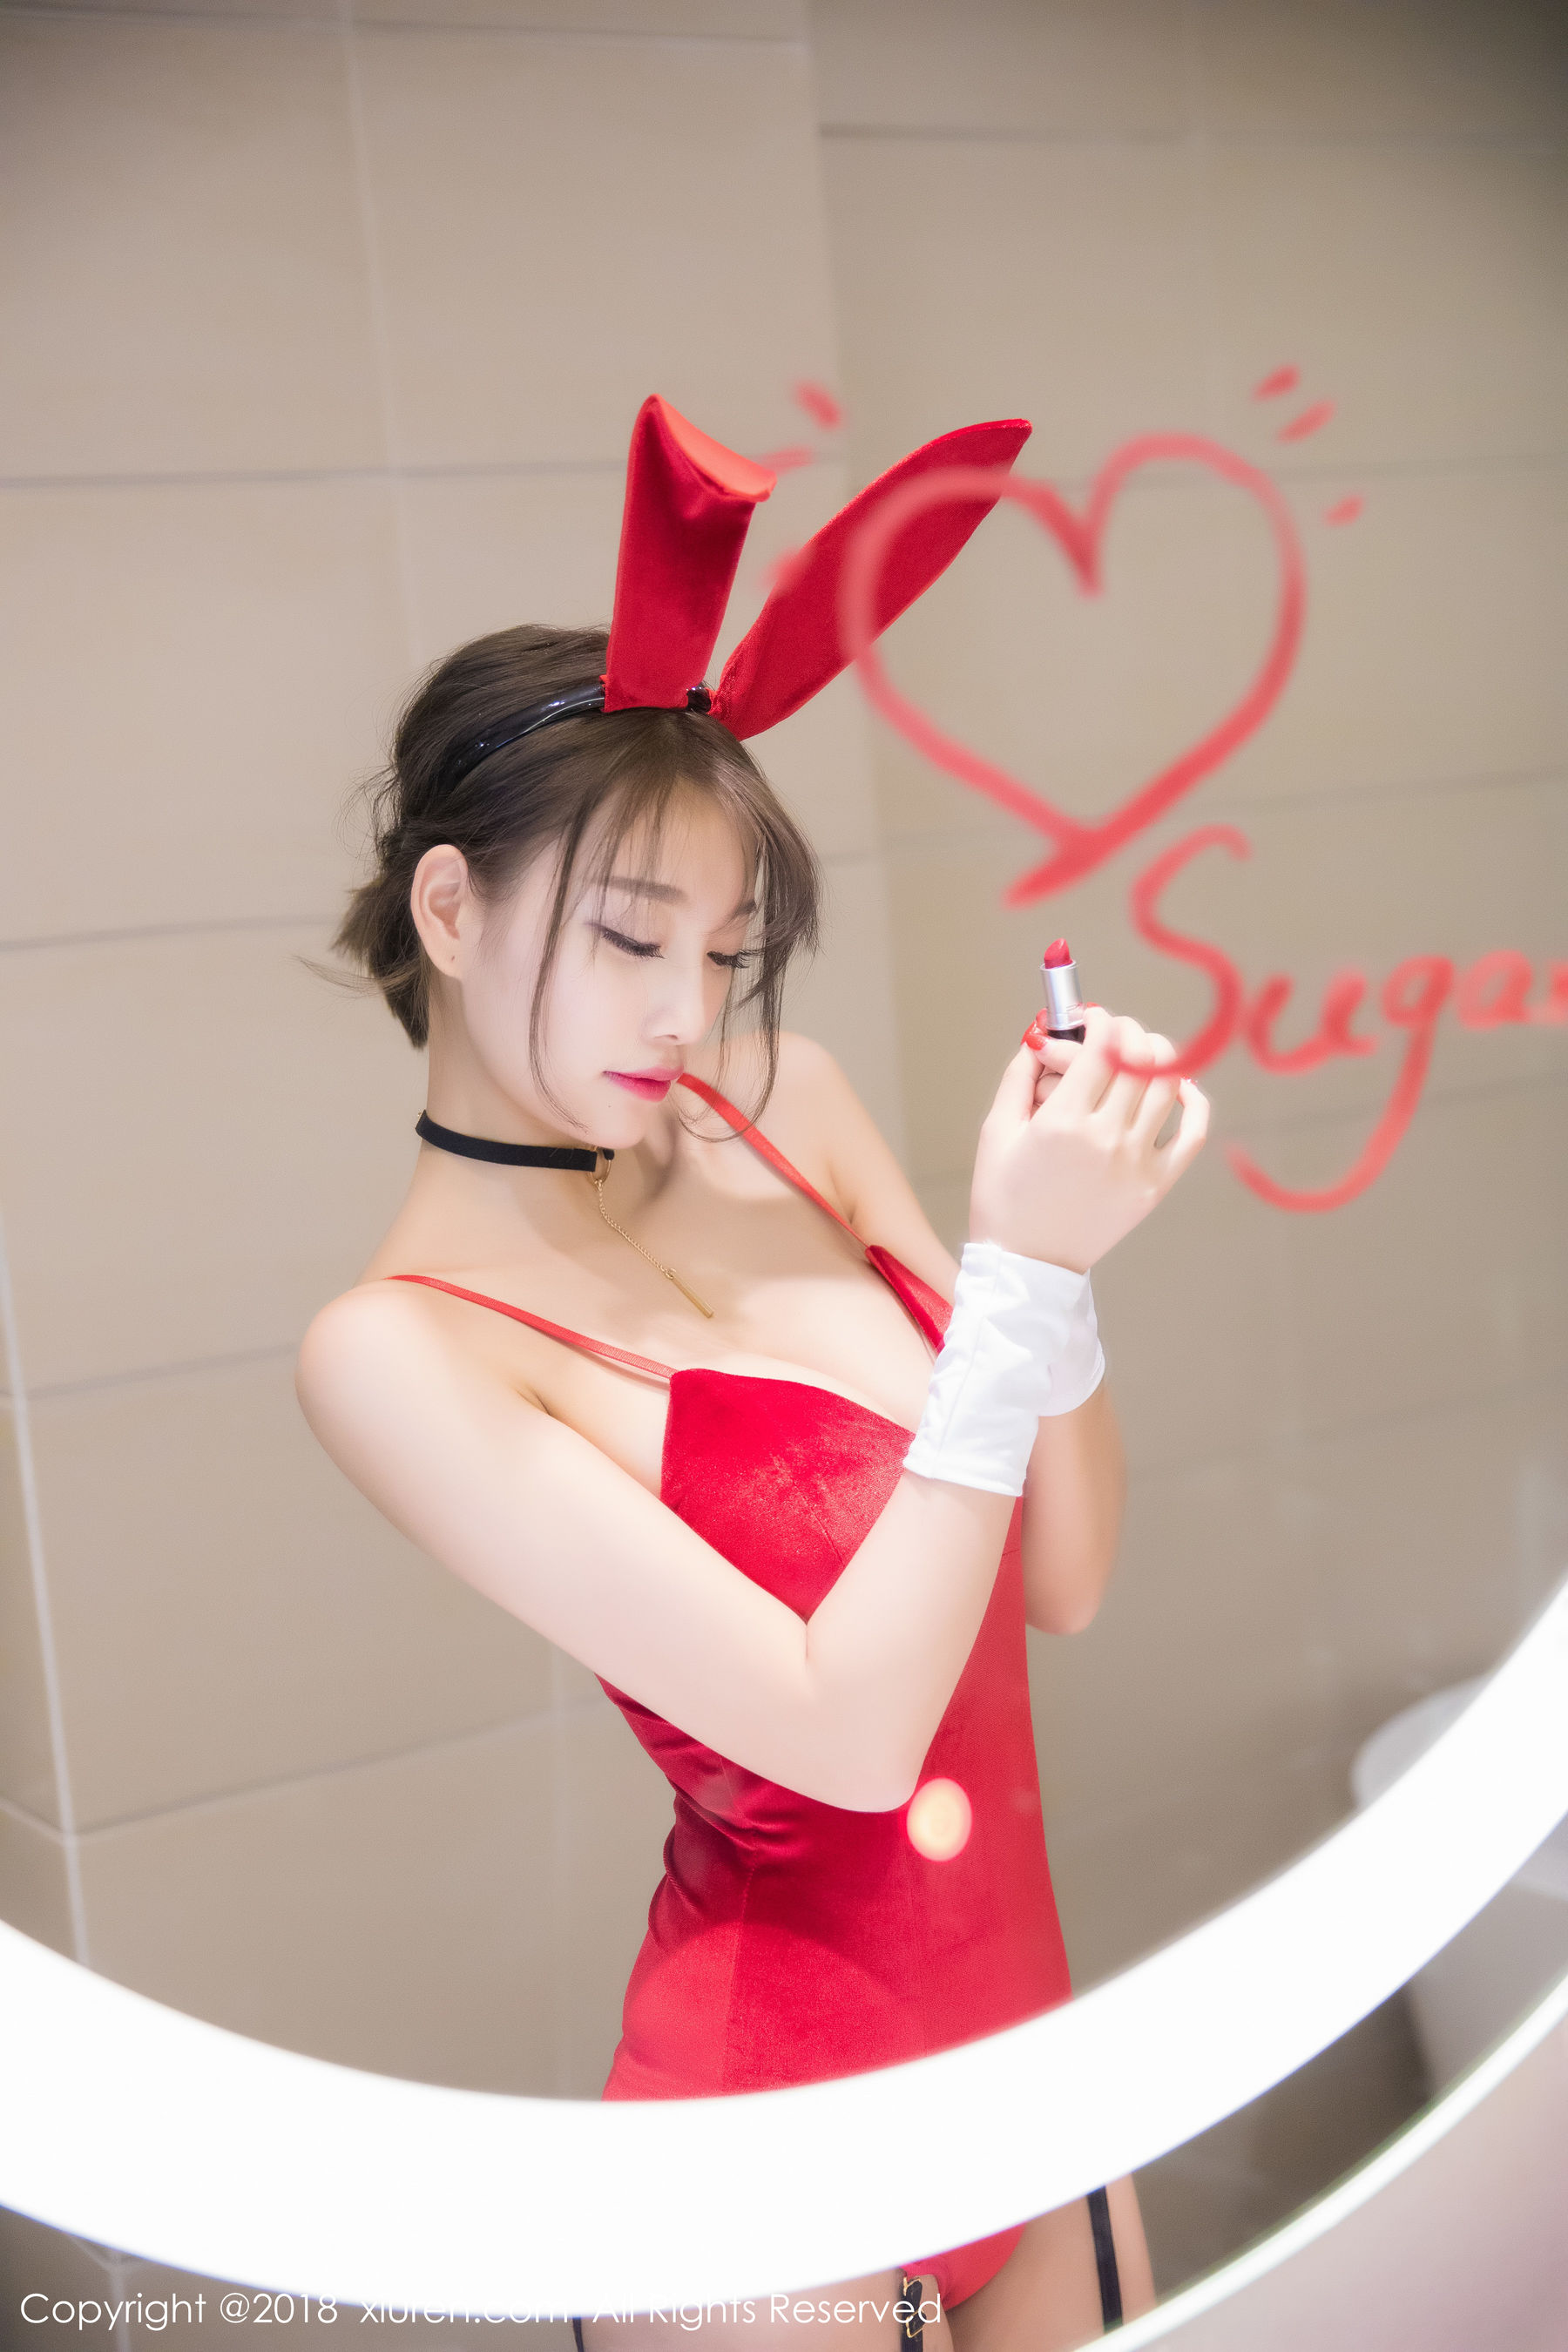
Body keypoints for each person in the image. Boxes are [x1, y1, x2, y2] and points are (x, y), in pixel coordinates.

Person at [297, 399, 1207, 2351]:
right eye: (629, 939)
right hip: (759, 2180)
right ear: (450, 910)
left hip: (1031, 2083)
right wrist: (1012, 1281)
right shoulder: (397, 1349)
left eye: (721, 950)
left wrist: (1055, 1269)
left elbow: (1062, 1577)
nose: (684, 1011)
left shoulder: (786, 1104)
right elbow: (850, 1738)